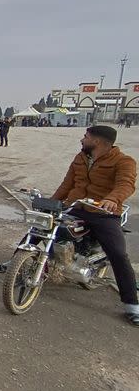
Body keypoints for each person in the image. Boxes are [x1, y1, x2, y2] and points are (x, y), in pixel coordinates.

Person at [53, 126, 138, 326]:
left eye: (86, 137)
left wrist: (111, 199)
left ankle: (132, 304)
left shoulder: (124, 161)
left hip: (103, 212)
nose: (82, 140)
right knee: (43, 225)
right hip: (77, 207)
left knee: (118, 254)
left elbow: (126, 184)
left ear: (97, 142)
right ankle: (15, 262)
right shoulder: (80, 158)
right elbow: (67, 185)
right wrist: (51, 204)